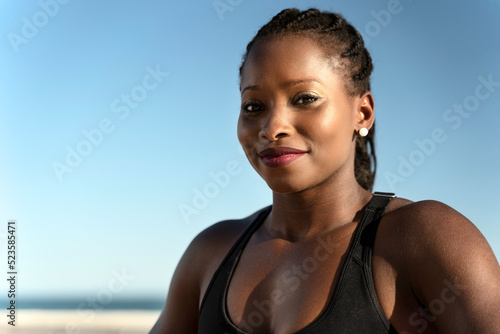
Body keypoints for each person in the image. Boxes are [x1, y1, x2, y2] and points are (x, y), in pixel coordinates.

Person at [150, 8, 500, 333]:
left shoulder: (423, 237)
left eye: (304, 98)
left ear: (362, 113)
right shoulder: (210, 252)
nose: (272, 127)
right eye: (253, 106)